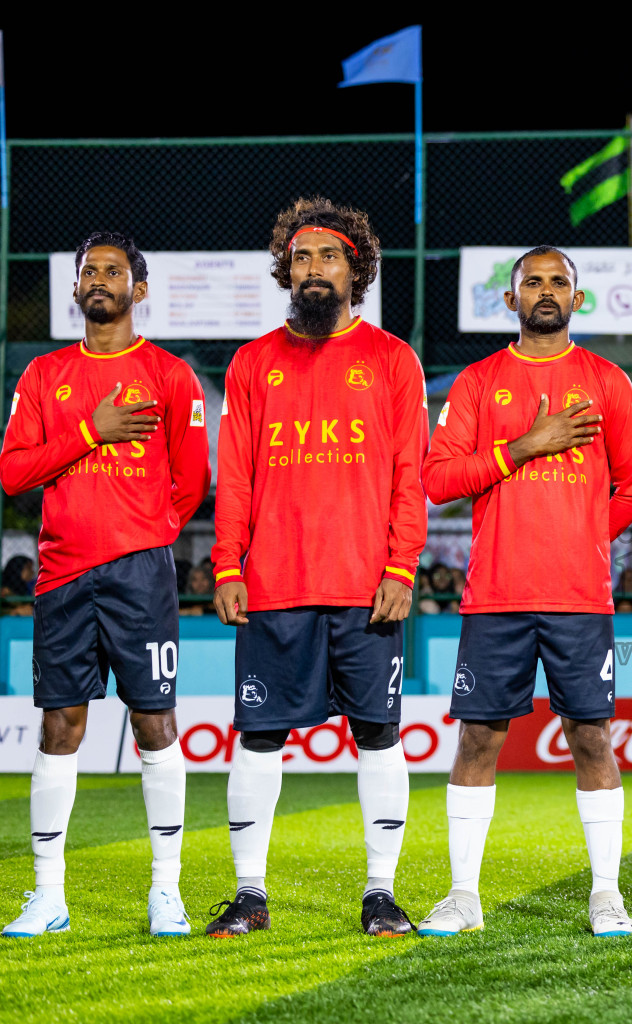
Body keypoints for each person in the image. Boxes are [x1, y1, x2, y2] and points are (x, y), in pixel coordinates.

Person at [418, 246, 632, 938]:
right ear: (510, 299)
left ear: (577, 299)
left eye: (559, 282)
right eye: (532, 282)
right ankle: (464, 896)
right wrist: (522, 447)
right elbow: (438, 480)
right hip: (497, 594)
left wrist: (584, 533)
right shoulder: (478, 382)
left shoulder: (608, 382)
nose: (546, 291)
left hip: (578, 596)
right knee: (479, 739)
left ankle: (606, 896)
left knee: (591, 736)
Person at [206, 198, 427, 938]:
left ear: (355, 267)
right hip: (274, 584)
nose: (313, 269)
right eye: (300, 257)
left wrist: (402, 567)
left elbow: (410, 477)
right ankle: (249, 894)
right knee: (261, 736)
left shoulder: (393, 360)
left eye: (328, 256)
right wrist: (227, 565)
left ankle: (380, 893)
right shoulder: (252, 362)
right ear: (285, 270)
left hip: (366, 587)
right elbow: (232, 476)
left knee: (378, 735)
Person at [0, 232, 209, 938]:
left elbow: (192, 483)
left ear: (139, 290)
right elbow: (13, 473)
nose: (98, 280)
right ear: (77, 288)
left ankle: (166, 894)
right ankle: (49, 896)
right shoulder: (42, 376)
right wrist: (92, 431)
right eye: (88, 270)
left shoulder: (171, 376)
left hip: (140, 574)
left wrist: (144, 533)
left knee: (155, 724)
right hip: (61, 574)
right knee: (61, 726)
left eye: (113, 271)